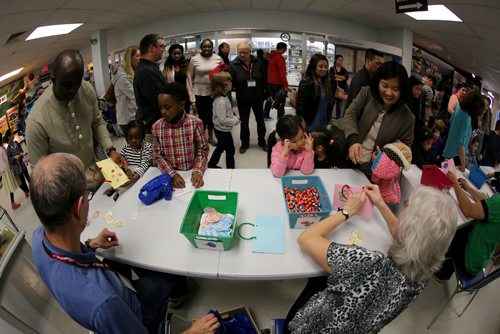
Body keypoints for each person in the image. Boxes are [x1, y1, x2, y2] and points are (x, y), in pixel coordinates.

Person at [30, 152, 218, 334]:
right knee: (173, 267)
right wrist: (194, 332)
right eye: (87, 195)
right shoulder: (104, 304)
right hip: (137, 314)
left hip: (116, 294)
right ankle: (177, 296)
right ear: (78, 209)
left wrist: (91, 244)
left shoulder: (39, 238)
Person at [286, 184, 457, 333]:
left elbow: (306, 239)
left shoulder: (370, 263)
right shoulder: (422, 278)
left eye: (407, 206)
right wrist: (380, 202)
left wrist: (347, 211)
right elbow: (405, 236)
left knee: (315, 278)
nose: (404, 210)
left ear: (408, 228)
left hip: (310, 329)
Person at [26, 49, 126, 192]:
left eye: (77, 82)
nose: (73, 89)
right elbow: (40, 172)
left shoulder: (85, 89)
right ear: (53, 81)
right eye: (66, 85)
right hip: (70, 187)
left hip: (99, 166)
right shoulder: (36, 121)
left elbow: (97, 122)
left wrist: (110, 150)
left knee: (123, 200)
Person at [335, 61, 414, 178]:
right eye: (385, 86)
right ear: (378, 82)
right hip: (349, 159)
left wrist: (384, 158)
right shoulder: (367, 93)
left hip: (376, 174)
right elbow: (350, 114)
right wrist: (353, 140)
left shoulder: (407, 118)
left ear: (402, 90)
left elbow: (405, 150)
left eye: (395, 89)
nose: (389, 93)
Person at [435, 172, 500, 280]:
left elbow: (467, 210)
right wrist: (468, 188)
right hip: (482, 256)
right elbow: (487, 201)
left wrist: (455, 183)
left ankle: (442, 272)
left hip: (471, 259)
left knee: (451, 225)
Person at [153, 83, 209, 189]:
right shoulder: (157, 127)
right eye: (160, 107)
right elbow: (157, 156)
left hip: (191, 174)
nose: (163, 111)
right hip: (170, 176)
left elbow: (202, 150)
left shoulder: (195, 123)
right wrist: (172, 174)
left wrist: (197, 170)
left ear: (181, 105)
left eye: (167, 107)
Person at [228, 41, 268, 154]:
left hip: (258, 97)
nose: (242, 55)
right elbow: (229, 82)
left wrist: (268, 93)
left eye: (245, 52)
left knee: (260, 120)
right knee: (244, 122)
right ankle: (245, 143)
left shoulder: (258, 62)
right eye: (240, 52)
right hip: (243, 98)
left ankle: (262, 141)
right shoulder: (233, 65)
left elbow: (264, 78)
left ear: (250, 52)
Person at [188, 39, 223, 146]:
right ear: (201, 47)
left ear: (212, 48)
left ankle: (211, 138)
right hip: (199, 92)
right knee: (201, 117)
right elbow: (189, 77)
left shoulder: (218, 58)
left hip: (214, 92)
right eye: (204, 47)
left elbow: (223, 74)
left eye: (209, 47)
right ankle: (202, 139)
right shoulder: (194, 59)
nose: (207, 49)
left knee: (212, 116)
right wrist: (192, 99)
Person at [133, 34, 167, 139]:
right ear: (152, 48)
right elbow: (159, 102)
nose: (163, 50)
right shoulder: (147, 71)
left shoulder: (148, 67)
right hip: (152, 127)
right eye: (161, 46)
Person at [443, 89, 483, 172]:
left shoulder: (458, 107)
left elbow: (451, 121)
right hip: (455, 156)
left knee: (444, 177)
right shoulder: (467, 117)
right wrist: (464, 164)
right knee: (450, 181)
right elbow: (461, 143)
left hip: (448, 150)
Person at [208, 72, 240, 169]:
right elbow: (222, 119)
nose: (231, 83)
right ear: (222, 86)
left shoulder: (224, 97)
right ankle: (231, 170)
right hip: (223, 131)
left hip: (221, 130)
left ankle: (212, 164)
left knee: (221, 147)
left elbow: (227, 114)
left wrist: (233, 117)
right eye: (229, 82)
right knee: (230, 150)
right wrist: (235, 121)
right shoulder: (220, 101)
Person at [296, 54, 333, 131]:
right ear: (313, 67)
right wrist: (302, 125)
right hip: (310, 125)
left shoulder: (325, 84)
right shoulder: (307, 82)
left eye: (326, 67)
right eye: (320, 66)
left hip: (323, 124)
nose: (324, 69)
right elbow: (300, 106)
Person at [113, 45, 140, 135]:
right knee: (135, 145)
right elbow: (134, 95)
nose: (140, 58)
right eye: (137, 56)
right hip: (127, 119)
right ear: (130, 58)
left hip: (133, 115)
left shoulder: (133, 73)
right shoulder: (122, 77)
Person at [163, 44, 196, 114]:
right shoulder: (167, 68)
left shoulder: (185, 67)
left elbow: (189, 84)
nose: (177, 55)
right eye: (174, 53)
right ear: (170, 54)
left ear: (182, 54)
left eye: (179, 53)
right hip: (173, 97)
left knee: (185, 116)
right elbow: (165, 84)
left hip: (184, 96)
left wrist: (193, 102)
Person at [120, 120, 153, 185]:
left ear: (143, 136)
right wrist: (126, 170)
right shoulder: (126, 148)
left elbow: (144, 165)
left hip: (142, 177)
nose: (133, 141)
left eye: (137, 138)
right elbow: (121, 159)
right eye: (130, 138)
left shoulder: (148, 147)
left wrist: (133, 178)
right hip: (130, 176)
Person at [263, 42, 288, 120]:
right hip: (277, 82)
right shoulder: (280, 58)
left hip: (270, 81)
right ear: (283, 49)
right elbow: (282, 73)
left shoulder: (272, 57)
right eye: (285, 49)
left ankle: (265, 114)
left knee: (270, 98)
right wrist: (285, 85)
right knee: (281, 99)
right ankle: (280, 116)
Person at [6, 129, 30, 198]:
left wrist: (23, 156)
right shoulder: (8, 149)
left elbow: (21, 150)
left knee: (28, 176)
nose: (13, 136)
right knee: (22, 180)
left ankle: (33, 188)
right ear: (8, 137)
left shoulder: (16, 142)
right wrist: (14, 158)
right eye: (11, 134)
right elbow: (9, 159)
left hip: (22, 164)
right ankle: (26, 191)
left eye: (13, 134)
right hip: (17, 168)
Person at [0, 134, 22, 210]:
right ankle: (13, 203)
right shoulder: (2, 149)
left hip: (3, 172)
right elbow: (6, 160)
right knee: (15, 182)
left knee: (12, 185)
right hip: (8, 170)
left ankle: (25, 191)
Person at [329, 54, 349, 119]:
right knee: (331, 105)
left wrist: (337, 76)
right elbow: (332, 78)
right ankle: (328, 119)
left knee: (339, 107)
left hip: (341, 90)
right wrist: (341, 78)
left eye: (342, 60)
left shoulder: (343, 69)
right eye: (339, 60)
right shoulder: (332, 69)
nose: (341, 62)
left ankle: (338, 120)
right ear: (336, 60)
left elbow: (346, 77)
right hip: (333, 90)